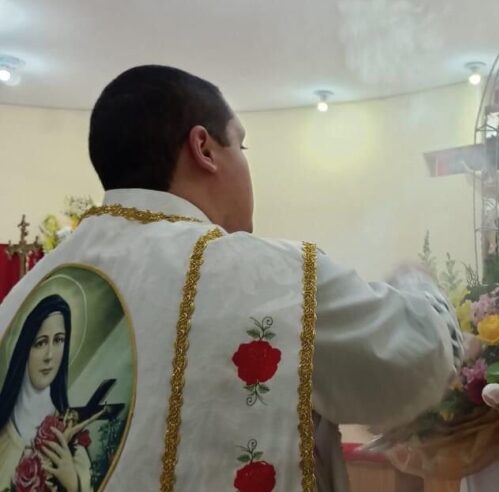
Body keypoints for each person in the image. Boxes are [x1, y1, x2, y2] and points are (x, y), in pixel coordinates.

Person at [0, 65, 463, 492]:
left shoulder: (20, 299)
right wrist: (415, 283)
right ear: (204, 149)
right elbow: (418, 358)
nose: (246, 165)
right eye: (241, 145)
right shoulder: (265, 278)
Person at [0, 295, 93, 492]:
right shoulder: (3, 428)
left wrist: (73, 482)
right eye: (41, 343)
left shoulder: (71, 438)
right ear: (26, 348)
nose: (50, 356)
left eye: (59, 340)